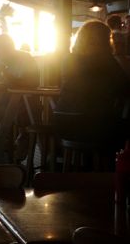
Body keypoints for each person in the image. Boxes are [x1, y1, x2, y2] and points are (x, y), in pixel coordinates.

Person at [55, 20, 129, 166]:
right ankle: (110, 172)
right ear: (105, 40)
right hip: (94, 126)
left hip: (63, 123)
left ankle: (84, 168)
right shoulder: (107, 61)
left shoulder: (68, 59)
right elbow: (125, 87)